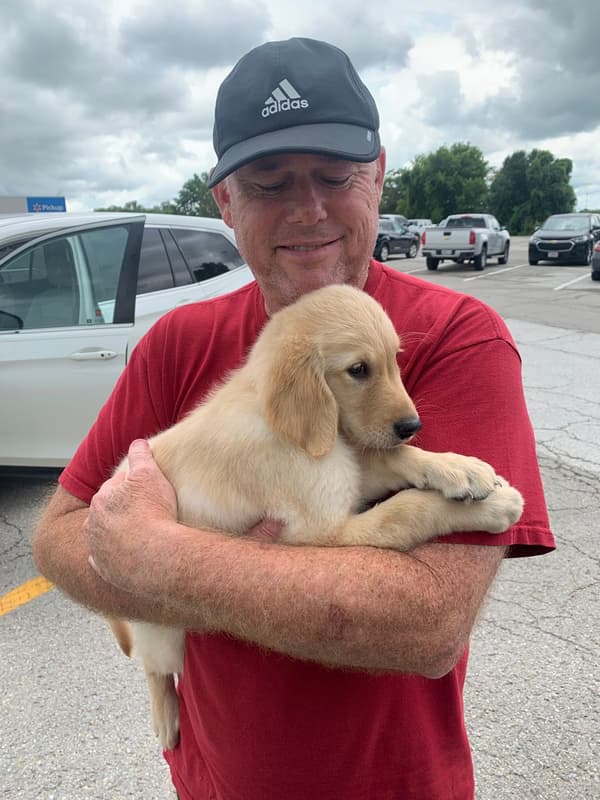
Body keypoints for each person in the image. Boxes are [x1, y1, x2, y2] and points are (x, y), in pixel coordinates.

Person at [33, 37, 555, 800]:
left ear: (378, 175)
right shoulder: (177, 343)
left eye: (336, 176)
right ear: (225, 202)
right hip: (212, 783)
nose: (308, 210)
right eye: (270, 183)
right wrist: (178, 568)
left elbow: (425, 623)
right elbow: (57, 534)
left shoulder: (458, 336)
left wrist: (163, 557)